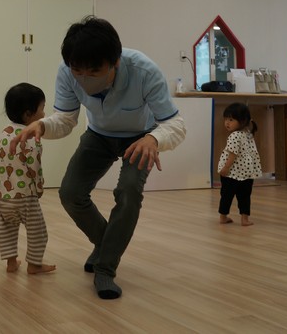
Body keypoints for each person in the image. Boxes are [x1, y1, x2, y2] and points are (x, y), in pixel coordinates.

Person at [11, 16, 186, 300]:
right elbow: (66, 119)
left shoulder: (144, 71)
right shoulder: (67, 71)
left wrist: (154, 139)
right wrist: (42, 125)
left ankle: (105, 269)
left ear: (115, 62)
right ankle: (106, 246)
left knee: (128, 192)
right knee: (70, 193)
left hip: (140, 138)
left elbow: (175, 124)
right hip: (99, 135)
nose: (84, 78)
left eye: (94, 71)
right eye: (78, 71)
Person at [0, 83, 56, 275]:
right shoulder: (31, 137)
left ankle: (11, 263)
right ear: (29, 114)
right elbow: (34, 167)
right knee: (38, 232)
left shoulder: (4, 133)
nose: (44, 113)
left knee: (7, 230)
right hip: (25, 196)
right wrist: (39, 187)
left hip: (2, 196)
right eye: (42, 108)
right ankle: (34, 264)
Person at [217, 103, 262, 226]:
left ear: (242, 121)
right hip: (246, 172)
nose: (227, 123)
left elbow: (232, 154)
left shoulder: (235, 135)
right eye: (226, 119)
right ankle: (244, 219)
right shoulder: (248, 133)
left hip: (231, 173)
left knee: (226, 195)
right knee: (245, 196)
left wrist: (226, 168)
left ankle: (223, 217)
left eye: (231, 120)